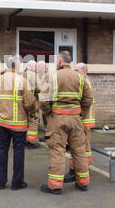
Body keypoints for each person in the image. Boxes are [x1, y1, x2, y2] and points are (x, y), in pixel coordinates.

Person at [39, 51, 93, 195]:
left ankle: (56, 186)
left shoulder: (53, 77)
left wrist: (49, 113)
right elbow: (88, 99)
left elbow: (43, 100)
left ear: (59, 61)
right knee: (79, 151)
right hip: (75, 119)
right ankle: (83, 183)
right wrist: (80, 113)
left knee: (57, 151)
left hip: (58, 119)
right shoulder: (80, 78)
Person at [0, 56, 36, 190]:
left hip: (1, 123)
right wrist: (29, 113)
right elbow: (30, 103)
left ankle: (0, 182)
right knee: (18, 152)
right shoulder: (22, 81)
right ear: (17, 66)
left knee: (2, 151)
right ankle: (17, 183)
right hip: (18, 124)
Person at [64, 62, 96, 182]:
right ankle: (81, 171)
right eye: (74, 70)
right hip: (83, 121)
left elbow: (84, 103)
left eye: (77, 70)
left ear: (84, 71)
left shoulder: (83, 83)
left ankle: (77, 172)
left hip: (83, 121)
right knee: (81, 148)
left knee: (80, 148)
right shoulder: (83, 81)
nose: (75, 72)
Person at [23, 60, 41, 149]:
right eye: (36, 67)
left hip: (23, 102)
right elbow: (38, 88)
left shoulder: (23, 74)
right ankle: (31, 141)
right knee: (34, 120)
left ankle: (24, 139)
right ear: (32, 66)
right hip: (32, 101)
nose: (37, 69)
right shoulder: (32, 75)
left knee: (26, 120)